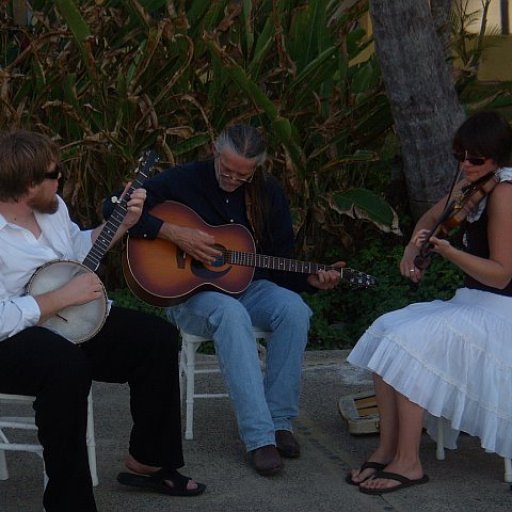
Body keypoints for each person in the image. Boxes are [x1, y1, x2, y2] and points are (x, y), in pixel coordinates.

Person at [108, 124, 343, 476]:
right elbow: (112, 205)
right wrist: (174, 233)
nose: (232, 178)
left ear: (256, 168)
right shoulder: (183, 180)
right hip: (190, 295)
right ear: (216, 152)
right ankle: (259, 437)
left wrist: (309, 279)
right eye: (227, 169)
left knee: (294, 309)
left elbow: (278, 263)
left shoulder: (268, 193)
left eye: (242, 175)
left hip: (248, 288)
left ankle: (280, 422)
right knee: (231, 313)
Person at [0, 130, 206, 512]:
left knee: (156, 339)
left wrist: (124, 223)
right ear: (28, 185)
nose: (60, 177)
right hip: (12, 340)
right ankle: (69, 503)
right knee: (65, 367)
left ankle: (149, 459)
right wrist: (57, 299)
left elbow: (77, 250)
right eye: (53, 173)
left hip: (69, 320)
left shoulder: (53, 208)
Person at [346, 110, 512, 494]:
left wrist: (446, 251)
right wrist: (412, 247)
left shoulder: (504, 194)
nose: (466, 165)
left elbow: (501, 274)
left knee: (412, 343)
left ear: (499, 158)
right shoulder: (472, 186)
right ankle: (387, 446)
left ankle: (410, 461)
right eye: (461, 156)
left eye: (476, 159)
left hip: (500, 311)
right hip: (470, 302)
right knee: (388, 328)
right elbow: (429, 219)